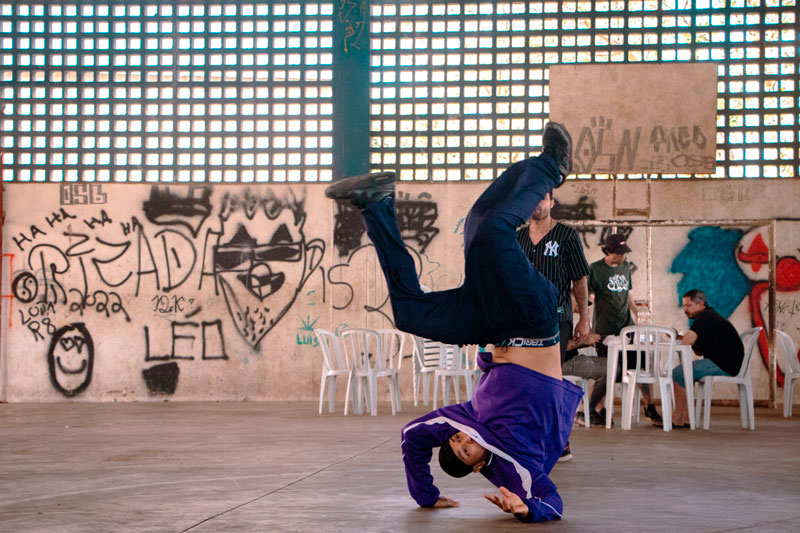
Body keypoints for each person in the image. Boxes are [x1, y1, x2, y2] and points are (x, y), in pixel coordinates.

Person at [325, 122, 582, 523]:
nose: (464, 437)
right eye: (466, 449)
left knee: (412, 310)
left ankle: (375, 203)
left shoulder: (461, 421)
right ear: (478, 465)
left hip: (491, 325)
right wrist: (528, 508)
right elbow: (551, 500)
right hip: (534, 319)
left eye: (457, 439)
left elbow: (412, 439)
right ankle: (551, 168)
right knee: (489, 233)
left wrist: (425, 496)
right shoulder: (515, 466)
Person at [517, 192, 607, 455]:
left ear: (551, 203)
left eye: (542, 198)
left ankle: (559, 439)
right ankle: (532, 437)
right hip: (524, 321)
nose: (536, 203)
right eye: (532, 198)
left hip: (557, 319)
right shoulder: (518, 238)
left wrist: (584, 319)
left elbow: (579, 279)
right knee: (525, 380)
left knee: (547, 378)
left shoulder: (567, 236)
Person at [588, 233, 662, 423]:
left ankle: (649, 406)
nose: (621, 257)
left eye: (623, 253)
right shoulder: (595, 269)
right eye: (617, 253)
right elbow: (589, 295)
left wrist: (637, 313)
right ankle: (597, 408)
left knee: (640, 365)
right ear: (607, 251)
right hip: (605, 328)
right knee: (607, 370)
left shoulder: (625, 267)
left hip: (627, 326)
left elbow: (627, 293)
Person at [658, 289, 745, 428]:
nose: (685, 310)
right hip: (726, 363)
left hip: (724, 364)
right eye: (684, 306)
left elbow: (688, 341)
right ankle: (686, 418)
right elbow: (697, 349)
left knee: (679, 373)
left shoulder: (705, 317)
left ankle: (677, 418)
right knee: (685, 372)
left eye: (689, 305)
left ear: (701, 304)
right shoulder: (709, 317)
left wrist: (680, 338)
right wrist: (679, 337)